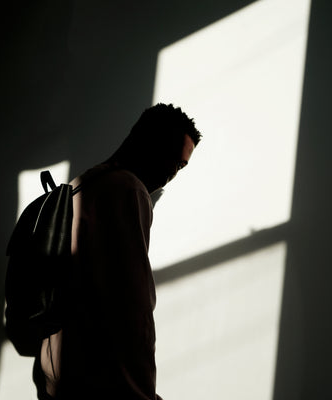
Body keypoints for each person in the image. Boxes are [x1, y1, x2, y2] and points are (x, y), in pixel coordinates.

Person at [33, 103, 202, 400]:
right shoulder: (128, 189)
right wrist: (142, 391)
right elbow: (130, 308)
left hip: (57, 373)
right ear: (147, 141)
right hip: (101, 380)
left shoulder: (79, 186)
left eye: (181, 165)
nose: (172, 173)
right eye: (172, 158)